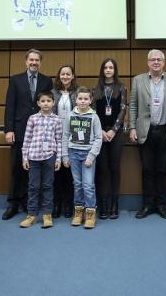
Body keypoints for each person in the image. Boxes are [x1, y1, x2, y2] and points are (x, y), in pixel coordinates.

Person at [129, 49, 166, 219]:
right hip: (145, 131)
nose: (156, 62)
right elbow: (133, 105)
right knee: (146, 170)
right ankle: (147, 205)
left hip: (165, 131)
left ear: (164, 62)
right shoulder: (138, 80)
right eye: (152, 60)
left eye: (159, 59)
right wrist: (132, 127)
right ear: (148, 62)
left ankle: (161, 205)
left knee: (161, 170)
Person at [3, 49, 53, 221]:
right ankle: (13, 203)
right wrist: (9, 129)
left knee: (32, 170)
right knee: (17, 168)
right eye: (31, 60)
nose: (34, 63)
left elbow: (48, 104)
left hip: (40, 133)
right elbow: (10, 106)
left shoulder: (47, 81)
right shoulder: (15, 80)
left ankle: (27, 202)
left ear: (40, 62)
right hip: (19, 131)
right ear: (26, 61)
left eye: (37, 60)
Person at [18, 91, 63, 229]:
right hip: (33, 157)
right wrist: (24, 157)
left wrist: (59, 158)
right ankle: (31, 214)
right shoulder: (32, 119)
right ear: (38, 103)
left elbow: (59, 140)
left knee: (48, 186)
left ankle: (47, 215)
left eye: (49, 101)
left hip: (50, 157)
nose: (46, 104)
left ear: (53, 103)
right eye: (43, 101)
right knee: (33, 186)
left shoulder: (57, 120)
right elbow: (27, 139)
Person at [62, 87, 102, 229]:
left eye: (86, 99)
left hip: (87, 155)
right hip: (73, 153)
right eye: (80, 98)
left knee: (88, 185)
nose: (83, 101)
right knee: (77, 184)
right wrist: (65, 155)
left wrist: (91, 156)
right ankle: (78, 212)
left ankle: (90, 213)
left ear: (90, 100)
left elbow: (98, 138)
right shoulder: (70, 116)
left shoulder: (94, 117)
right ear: (75, 100)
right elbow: (65, 136)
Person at [93, 58, 127, 220]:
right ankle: (103, 205)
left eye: (111, 67)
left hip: (116, 133)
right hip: (99, 133)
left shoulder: (121, 87)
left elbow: (122, 110)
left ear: (115, 70)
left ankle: (114, 204)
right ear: (102, 70)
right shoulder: (96, 89)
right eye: (105, 67)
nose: (108, 70)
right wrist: (100, 130)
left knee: (115, 168)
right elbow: (93, 112)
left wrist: (113, 130)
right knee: (102, 169)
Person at [51, 64, 77, 218]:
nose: (65, 76)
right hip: (55, 136)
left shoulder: (77, 92)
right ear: (59, 76)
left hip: (73, 137)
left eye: (68, 74)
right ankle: (56, 204)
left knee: (69, 172)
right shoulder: (52, 93)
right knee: (56, 171)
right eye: (63, 74)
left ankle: (68, 204)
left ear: (73, 76)